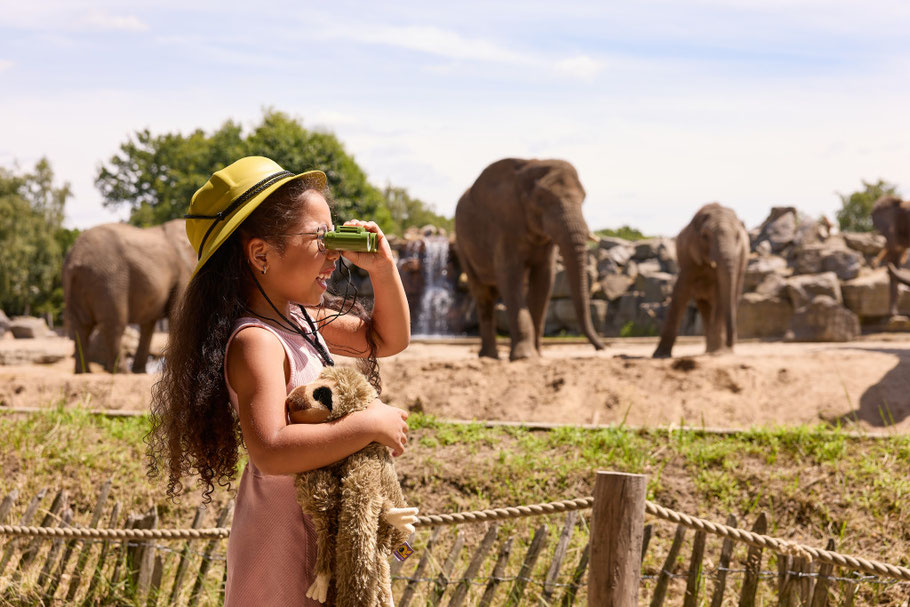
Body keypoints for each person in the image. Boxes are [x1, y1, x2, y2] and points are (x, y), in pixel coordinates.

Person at [146, 156, 412, 606]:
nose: (333, 253)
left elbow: (385, 338)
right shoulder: (257, 341)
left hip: (315, 527)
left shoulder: (301, 319)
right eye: (320, 238)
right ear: (261, 254)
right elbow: (269, 450)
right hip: (284, 539)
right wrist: (369, 424)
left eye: (335, 237)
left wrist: (382, 269)